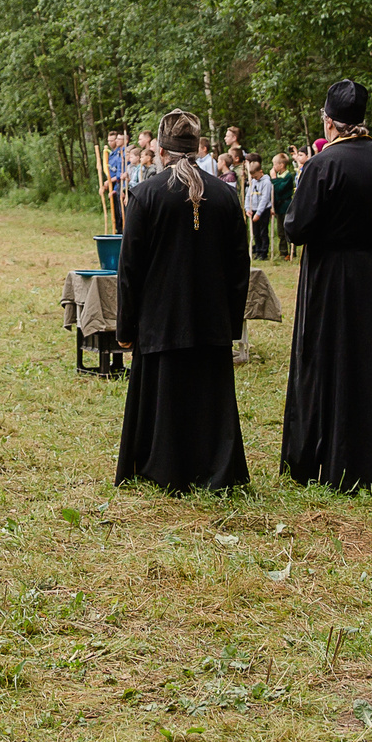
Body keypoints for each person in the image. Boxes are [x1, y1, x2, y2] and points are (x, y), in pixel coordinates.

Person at [280, 80, 372, 491]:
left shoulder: (322, 165)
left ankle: (323, 457)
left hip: (330, 278)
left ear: (329, 121)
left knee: (328, 358)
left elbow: (296, 227)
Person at [114, 110, 252, 493]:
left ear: (160, 149)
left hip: (161, 321)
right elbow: (240, 267)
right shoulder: (225, 196)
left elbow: (130, 271)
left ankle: (165, 466)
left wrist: (126, 328)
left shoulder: (146, 195)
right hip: (209, 323)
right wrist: (229, 320)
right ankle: (214, 468)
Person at [243, 157, 276, 263]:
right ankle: (257, 250)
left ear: (260, 172)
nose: (254, 178)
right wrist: (248, 208)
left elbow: (265, 198)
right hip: (253, 210)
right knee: (255, 232)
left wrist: (259, 213)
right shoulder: (252, 181)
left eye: (255, 176)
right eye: (252, 176)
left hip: (263, 210)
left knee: (263, 232)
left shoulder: (266, 182)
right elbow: (248, 196)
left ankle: (263, 251)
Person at [268, 151, 295, 259]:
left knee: (286, 229)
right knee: (280, 231)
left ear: (281, 165)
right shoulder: (279, 176)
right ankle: (283, 251)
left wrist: (274, 179)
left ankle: (291, 251)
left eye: (275, 164)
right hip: (278, 207)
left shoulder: (288, 176)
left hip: (286, 206)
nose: (273, 167)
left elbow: (279, 189)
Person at [104, 129, 129, 231]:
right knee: (117, 213)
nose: (115, 142)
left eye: (118, 139)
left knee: (122, 212)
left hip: (122, 184)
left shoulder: (125, 154)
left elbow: (121, 172)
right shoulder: (116, 153)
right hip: (116, 185)